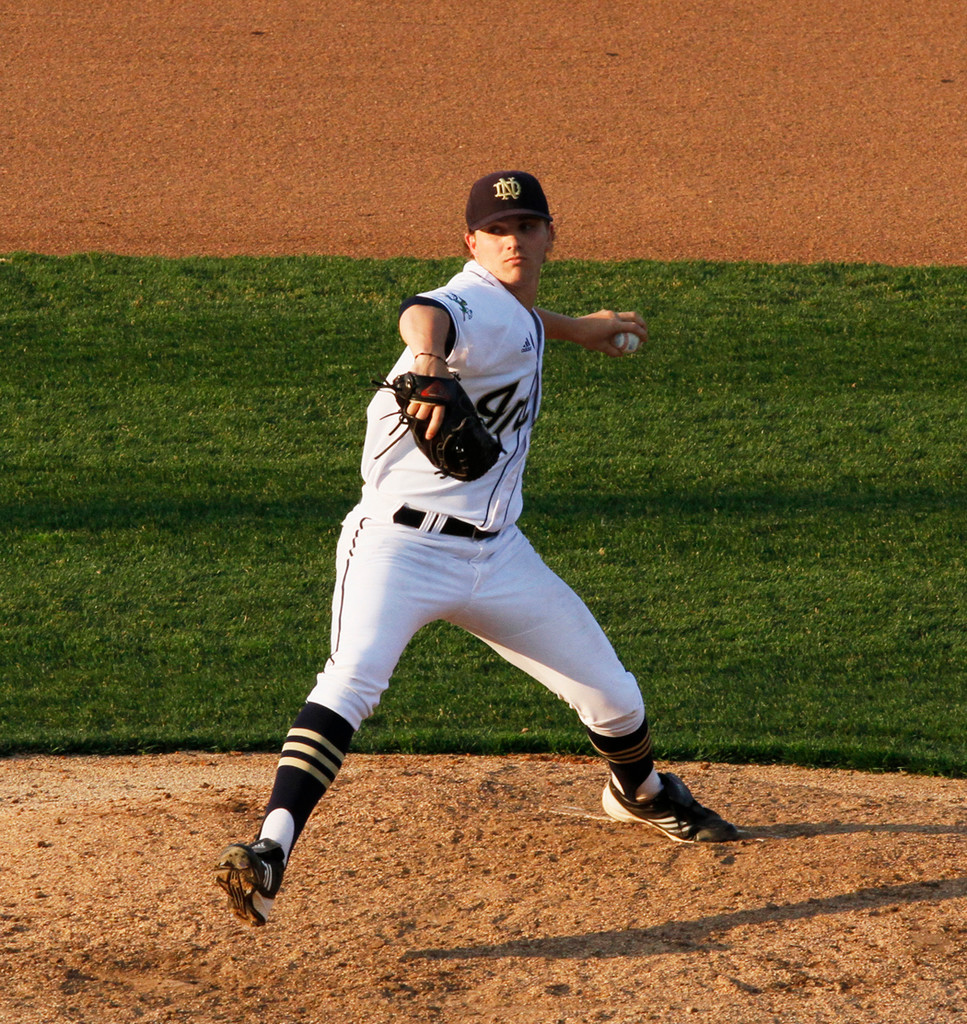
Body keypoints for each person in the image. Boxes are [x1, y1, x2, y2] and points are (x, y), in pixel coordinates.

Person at [214, 170, 739, 927]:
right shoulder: (462, 302)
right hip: (398, 548)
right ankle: (269, 849)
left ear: (550, 236)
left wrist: (580, 328)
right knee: (352, 680)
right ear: (471, 243)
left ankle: (642, 793)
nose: (513, 240)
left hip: (497, 557)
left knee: (614, 698)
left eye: (527, 227)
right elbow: (424, 313)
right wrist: (427, 363)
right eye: (497, 230)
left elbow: (517, 319)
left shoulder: (513, 310)